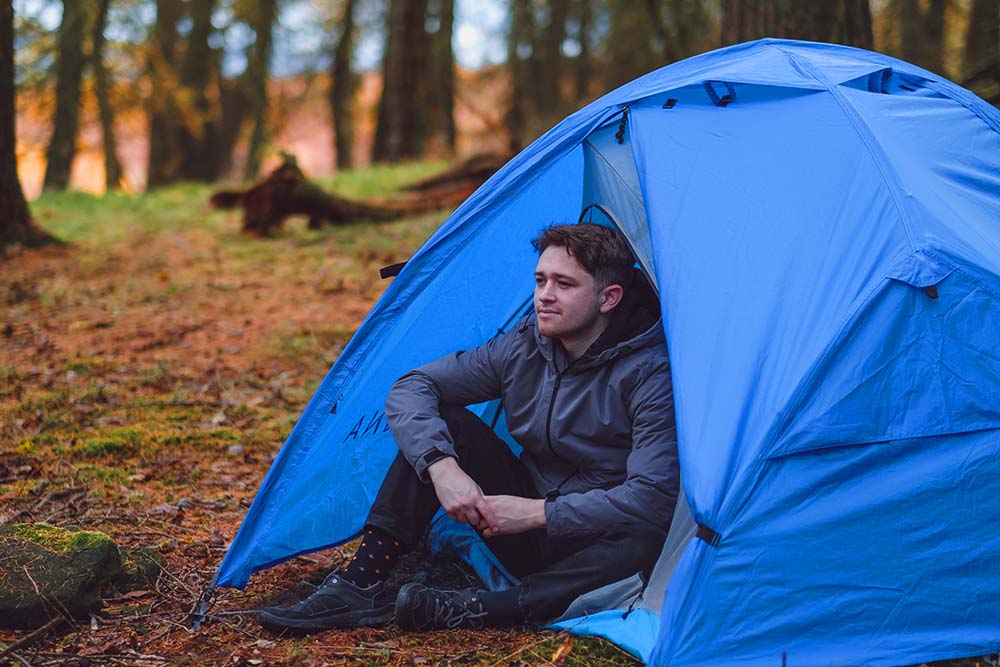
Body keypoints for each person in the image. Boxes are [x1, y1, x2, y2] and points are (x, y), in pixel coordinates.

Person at [259, 222, 679, 633]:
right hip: (516, 523)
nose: (543, 297)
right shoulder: (525, 346)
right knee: (446, 427)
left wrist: (536, 513)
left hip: (593, 541)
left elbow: (652, 498)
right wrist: (443, 469)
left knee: (647, 537)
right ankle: (360, 583)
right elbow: (413, 386)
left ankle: (481, 608)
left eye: (563, 285)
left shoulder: (650, 372)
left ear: (609, 298)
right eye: (540, 280)